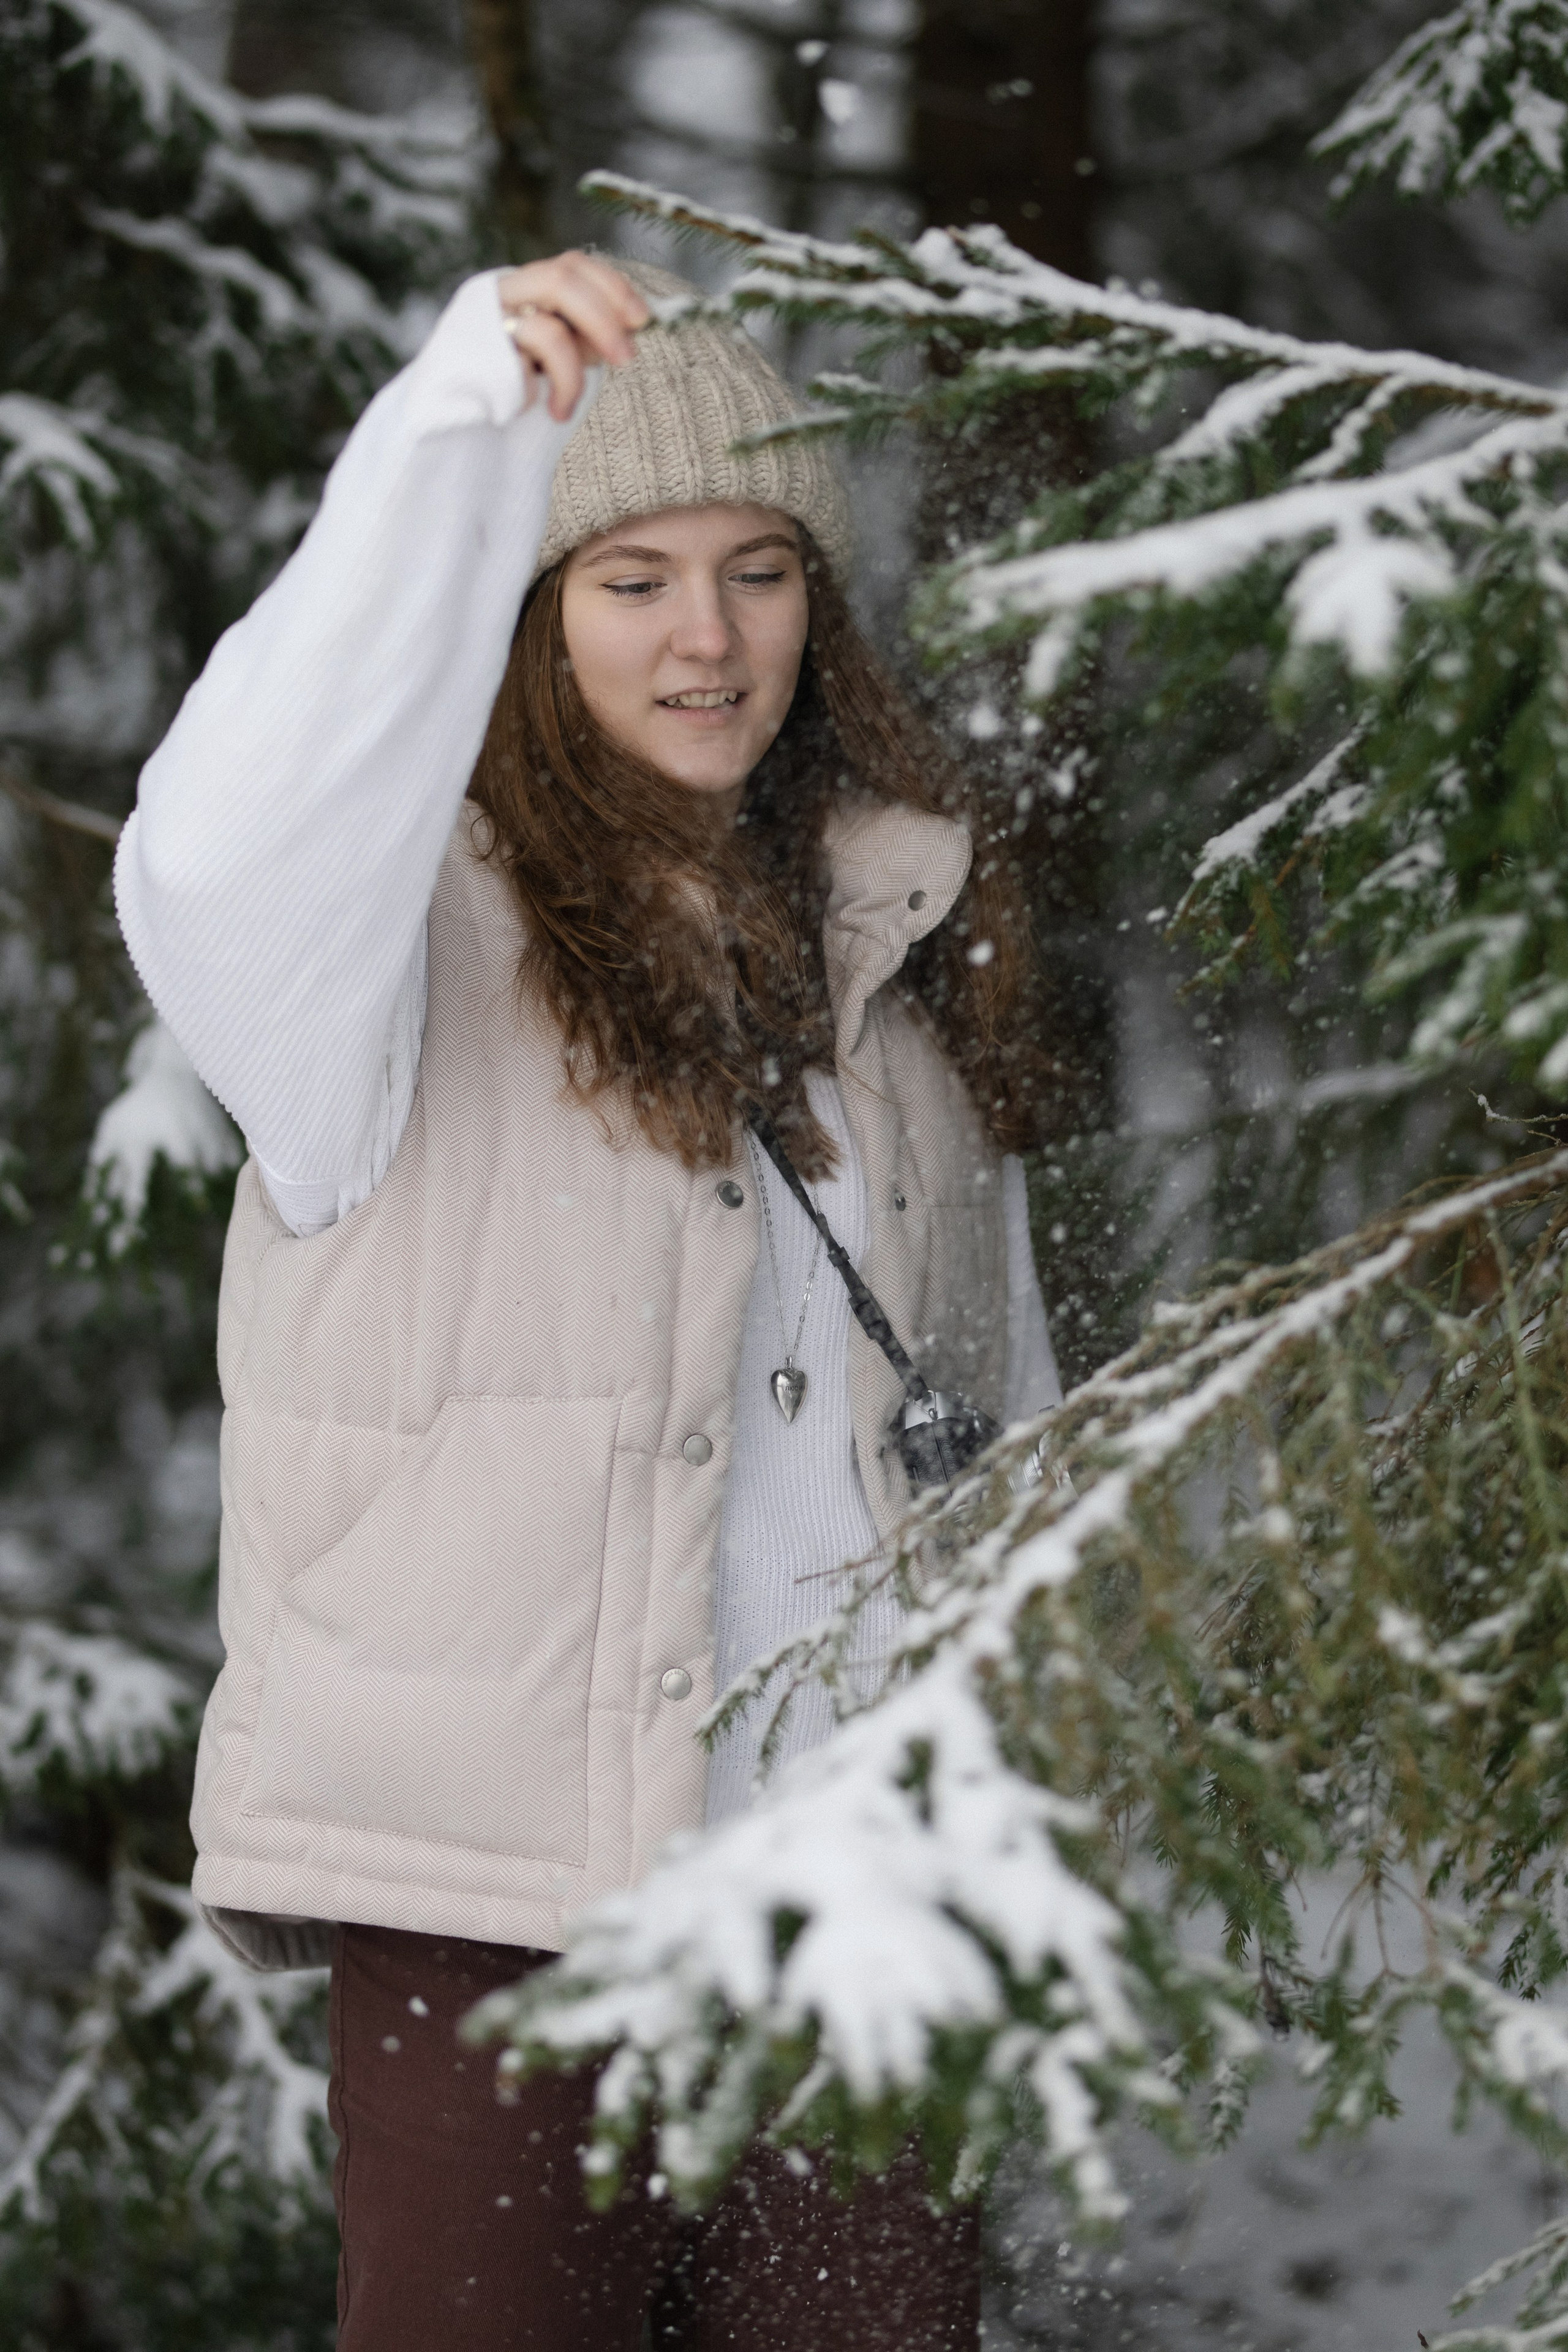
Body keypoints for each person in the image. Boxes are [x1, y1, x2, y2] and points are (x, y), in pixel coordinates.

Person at [115, 246, 1062, 2351]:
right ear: (529, 619)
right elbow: (214, 847)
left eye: (759, 569)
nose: (708, 637)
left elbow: (993, 1420)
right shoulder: (380, 965)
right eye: (629, 577)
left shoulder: (885, 957)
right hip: (506, 1925)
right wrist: (457, 436)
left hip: (864, 1915)